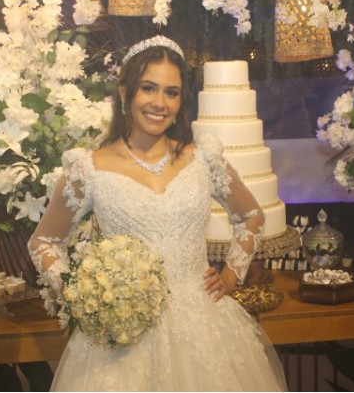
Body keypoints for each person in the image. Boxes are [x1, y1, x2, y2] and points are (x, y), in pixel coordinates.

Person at [28, 35, 288, 391]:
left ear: (181, 102)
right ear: (125, 93)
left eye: (172, 92)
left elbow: (252, 217)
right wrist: (81, 295)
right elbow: (43, 241)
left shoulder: (202, 159)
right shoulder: (89, 169)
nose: (160, 103)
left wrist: (231, 274)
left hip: (203, 327)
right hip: (124, 337)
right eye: (148, 88)